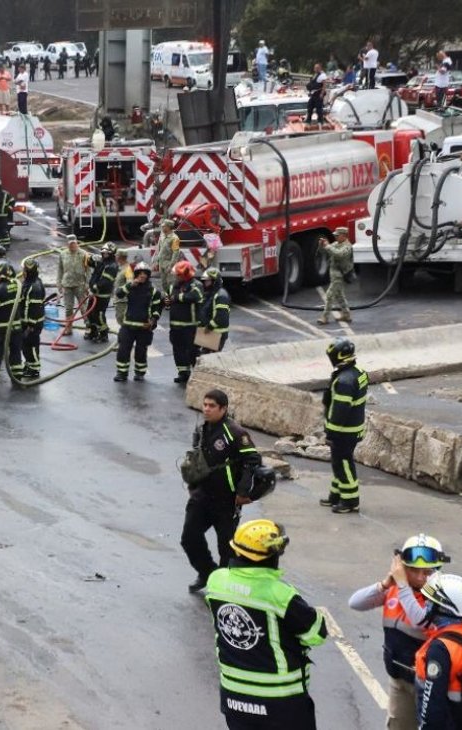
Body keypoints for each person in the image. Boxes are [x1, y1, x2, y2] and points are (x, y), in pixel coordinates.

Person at [205, 519, 327, 728]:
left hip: (234, 696)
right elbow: (316, 634)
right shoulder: (280, 595)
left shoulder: (216, 581)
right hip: (281, 701)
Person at [350, 535, 450, 730]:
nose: (421, 577)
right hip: (400, 682)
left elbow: (420, 620)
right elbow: (355, 603)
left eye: (428, 572)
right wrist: (386, 584)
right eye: (413, 570)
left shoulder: (443, 598)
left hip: (430, 686)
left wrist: (403, 585)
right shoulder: (395, 589)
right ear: (402, 569)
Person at [183, 389, 262, 593]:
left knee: (226, 548)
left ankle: (224, 588)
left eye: (212, 406)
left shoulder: (235, 432)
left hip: (226, 500)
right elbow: (197, 458)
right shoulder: (202, 429)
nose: (206, 409)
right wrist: (193, 485)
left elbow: (252, 459)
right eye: (205, 405)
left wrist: (243, 492)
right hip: (202, 495)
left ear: (223, 409)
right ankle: (207, 573)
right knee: (189, 538)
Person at [414, 574, 462, 730]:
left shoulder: (441, 649)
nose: (426, 604)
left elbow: (432, 702)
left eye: (430, 602)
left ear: (442, 607)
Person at [321, 337, 369, 513]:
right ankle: (336, 496)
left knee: (343, 464)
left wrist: (331, 433)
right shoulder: (358, 372)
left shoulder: (344, 381)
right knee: (338, 463)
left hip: (343, 431)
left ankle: (349, 501)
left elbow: (340, 410)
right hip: (354, 428)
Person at [113, 262, 163, 382]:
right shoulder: (130, 287)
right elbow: (119, 294)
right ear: (136, 274)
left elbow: (157, 308)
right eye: (140, 273)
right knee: (123, 349)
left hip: (144, 327)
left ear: (148, 275)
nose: (142, 276)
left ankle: (140, 372)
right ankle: (122, 373)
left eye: (145, 274)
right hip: (128, 325)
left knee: (141, 351)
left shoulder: (153, 291)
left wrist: (153, 321)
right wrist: (130, 285)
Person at [167, 261, 203, 385]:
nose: (176, 277)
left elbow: (195, 296)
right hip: (175, 326)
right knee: (178, 351)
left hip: (190, 326)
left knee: (193, 351)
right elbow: (169, 299)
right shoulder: (173, 286)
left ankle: (199, 374)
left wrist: (178, 298)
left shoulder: (196, 285)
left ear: (185, 275)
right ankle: (183, 373)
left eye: (178, 275)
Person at [18, 257, 48, 378]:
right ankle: (29, 364)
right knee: (26, 346)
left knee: (30, 346)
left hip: (32, 324)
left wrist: (30, 325)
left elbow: (34, 309)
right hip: (27, 322)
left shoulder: (34, 287)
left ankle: (34, 368)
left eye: (24, 269)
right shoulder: (30, 282)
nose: (23, 272)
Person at [319, 227, 355, 324]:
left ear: (344, 236)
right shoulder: (336, 244)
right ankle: (346, 315)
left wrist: (327, 246)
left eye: (337, 235)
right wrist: (322, 246)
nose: (335, 237)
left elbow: (338, 254)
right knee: (339, 296)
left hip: (340, 275)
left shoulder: (347, 247)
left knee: (329, 295)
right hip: (333, 274)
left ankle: (324, 317)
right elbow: (324, 253)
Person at [56, 235, 89, 335]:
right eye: (70, 244)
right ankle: (68, 328)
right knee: (68, 308)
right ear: (67, 244)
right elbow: (60, 270)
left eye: (74, 243)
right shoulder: (63, 254)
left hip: (80, 284)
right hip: (67, 285)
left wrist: (87, 284)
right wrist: (59, 283)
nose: (72, 245)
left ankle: (88, 327)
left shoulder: (84, 254)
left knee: (84, 307)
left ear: (77, 243)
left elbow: (88, 270)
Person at [86, 242, 118, 343]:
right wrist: (91, 258)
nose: (104, 255)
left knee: (99, 315)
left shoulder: (112, 266)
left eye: (106, 253)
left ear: (112, 254)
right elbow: (91, 264)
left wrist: (94, 289)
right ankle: (93, 332)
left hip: (102, 295)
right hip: (94, 293)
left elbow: (105, 281)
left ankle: (104, 334)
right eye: (103, 253)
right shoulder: (103, 262)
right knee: (90, 313)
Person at [199, 267, 231, 353]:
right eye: (205, 281)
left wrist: (209, 327)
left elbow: (221, 317)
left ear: (215, 281)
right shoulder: (210, 294)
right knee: (200, 357)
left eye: (208, 281)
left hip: (216, 333)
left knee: (208, 359)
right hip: (209, 332)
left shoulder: (221, 296)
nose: (205, 283)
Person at [154, 218, 183, 292]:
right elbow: (159, 250)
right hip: (161, 263)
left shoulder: (174, 238)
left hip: (168, 263)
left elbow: (175, 253)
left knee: (170, 283)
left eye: (164, 226)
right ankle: (166, 299)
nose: (162, 227)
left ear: (169, 227)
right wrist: (156, 262)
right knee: (164, 283)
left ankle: (170, 300)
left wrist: (171, 265)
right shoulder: (162, 236)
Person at [0, 179, 15, 249]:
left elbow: (12, 201)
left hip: (3, 216)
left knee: (4, 231)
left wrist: (9, 208)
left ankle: (6, 245)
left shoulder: (6, 194)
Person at [112, 250, 133, 325]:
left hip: (123, 300)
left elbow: (130, 283)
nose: (115, 257)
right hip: (118, 299)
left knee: (122, 319)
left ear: (120, 257)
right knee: (120, 319)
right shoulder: (119, 267)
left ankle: (127, 335)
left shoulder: (127, 269)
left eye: (116, 256)